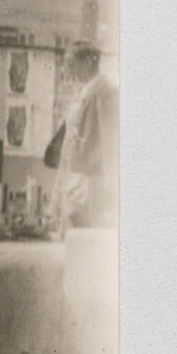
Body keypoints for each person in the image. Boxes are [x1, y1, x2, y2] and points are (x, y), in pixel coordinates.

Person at [45, 42, 117, 232]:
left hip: (90, 185)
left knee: (84, 243)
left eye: (72, 64)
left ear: (87, 62)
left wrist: (110, 186)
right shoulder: (85, 91)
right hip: (75, 181)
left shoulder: (104, 91)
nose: (70, 70)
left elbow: (111, 141)